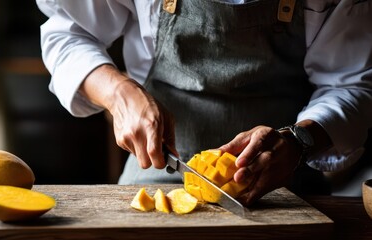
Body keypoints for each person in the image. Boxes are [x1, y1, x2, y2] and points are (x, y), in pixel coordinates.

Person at [36, 0, 372, 206]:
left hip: (287, 182)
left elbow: (352, 83)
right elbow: (69, 31)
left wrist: (299, 140)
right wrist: (119, 92)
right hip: (157, 169)